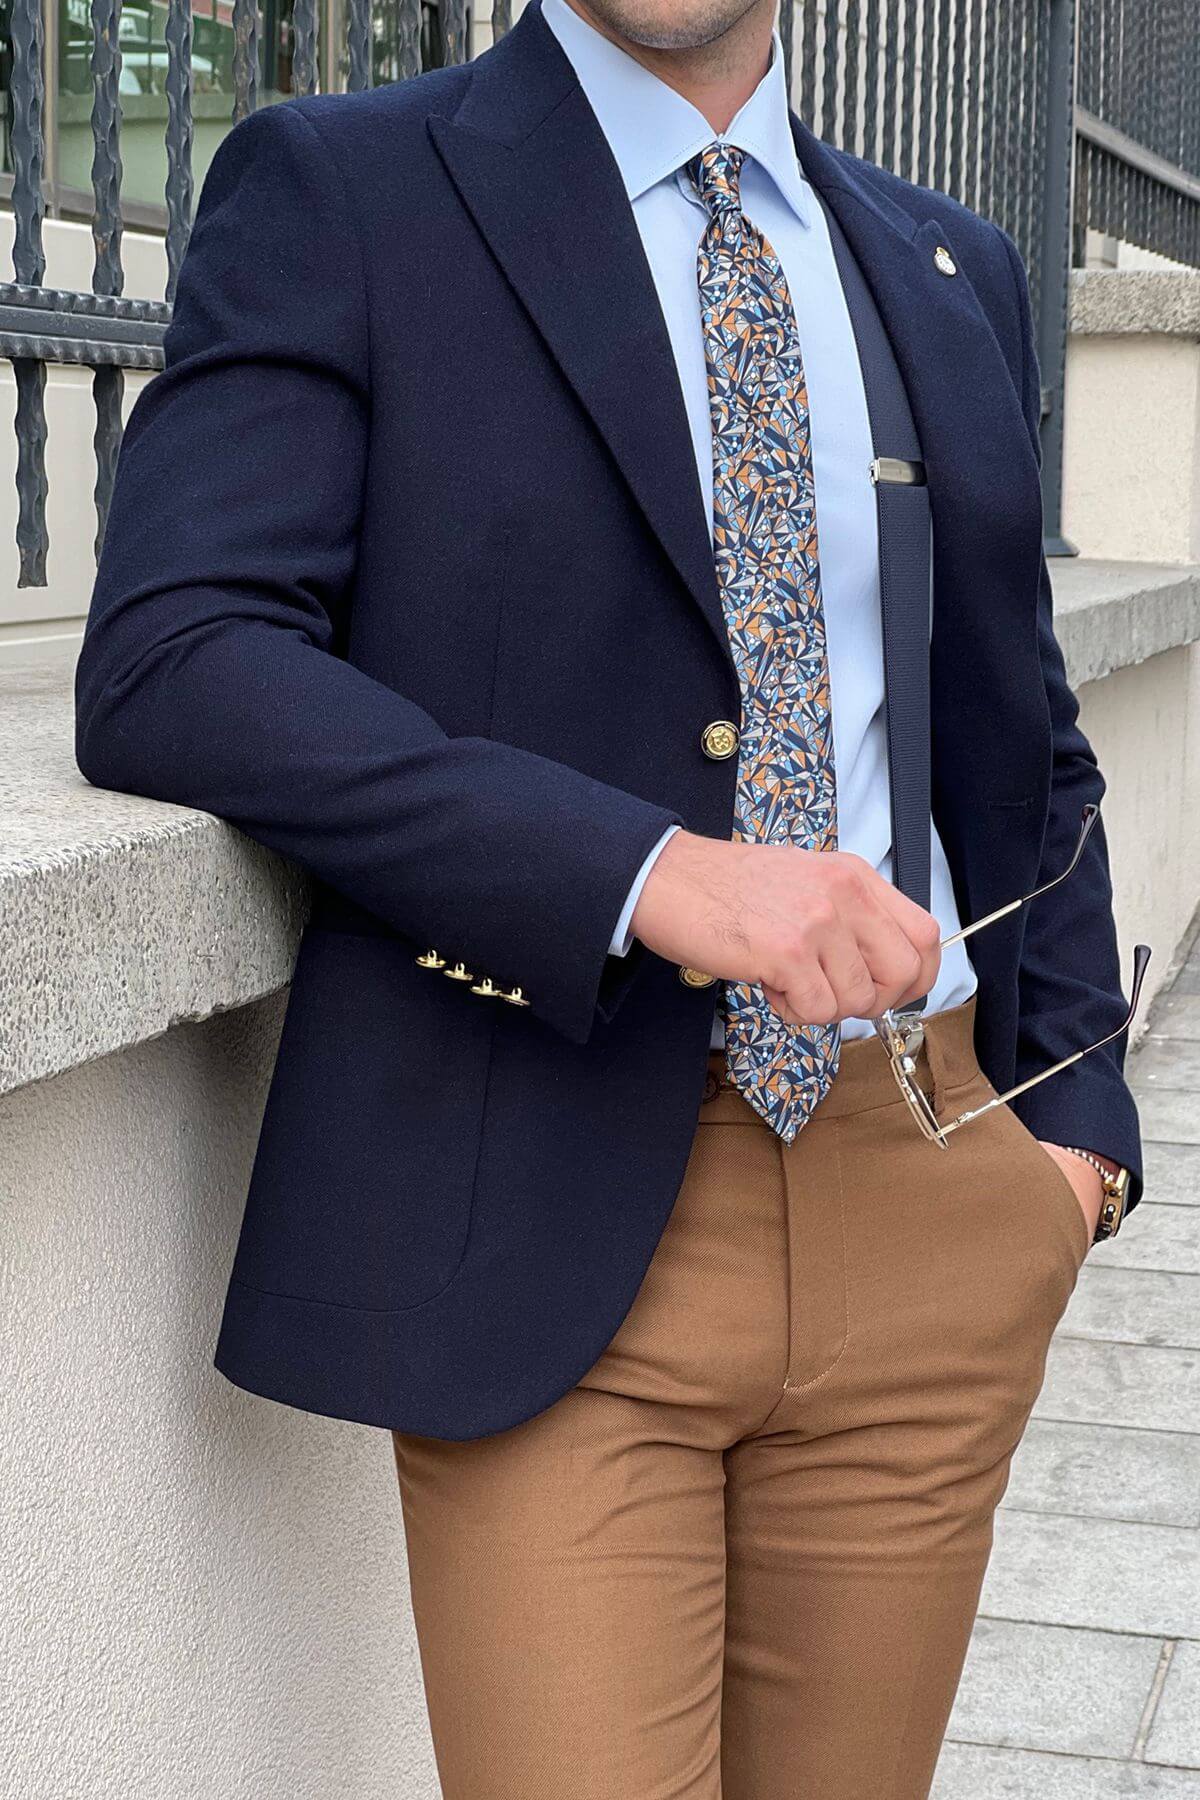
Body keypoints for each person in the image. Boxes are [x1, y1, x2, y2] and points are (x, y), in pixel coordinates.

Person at [74, 1, 1143, 1794]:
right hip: (552, 1207)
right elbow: (179, 655)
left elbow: (1027, 739)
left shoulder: (944, 258)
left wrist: (1073, 1139)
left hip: (930, 1198)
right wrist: (646, 875)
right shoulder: (347, 191)